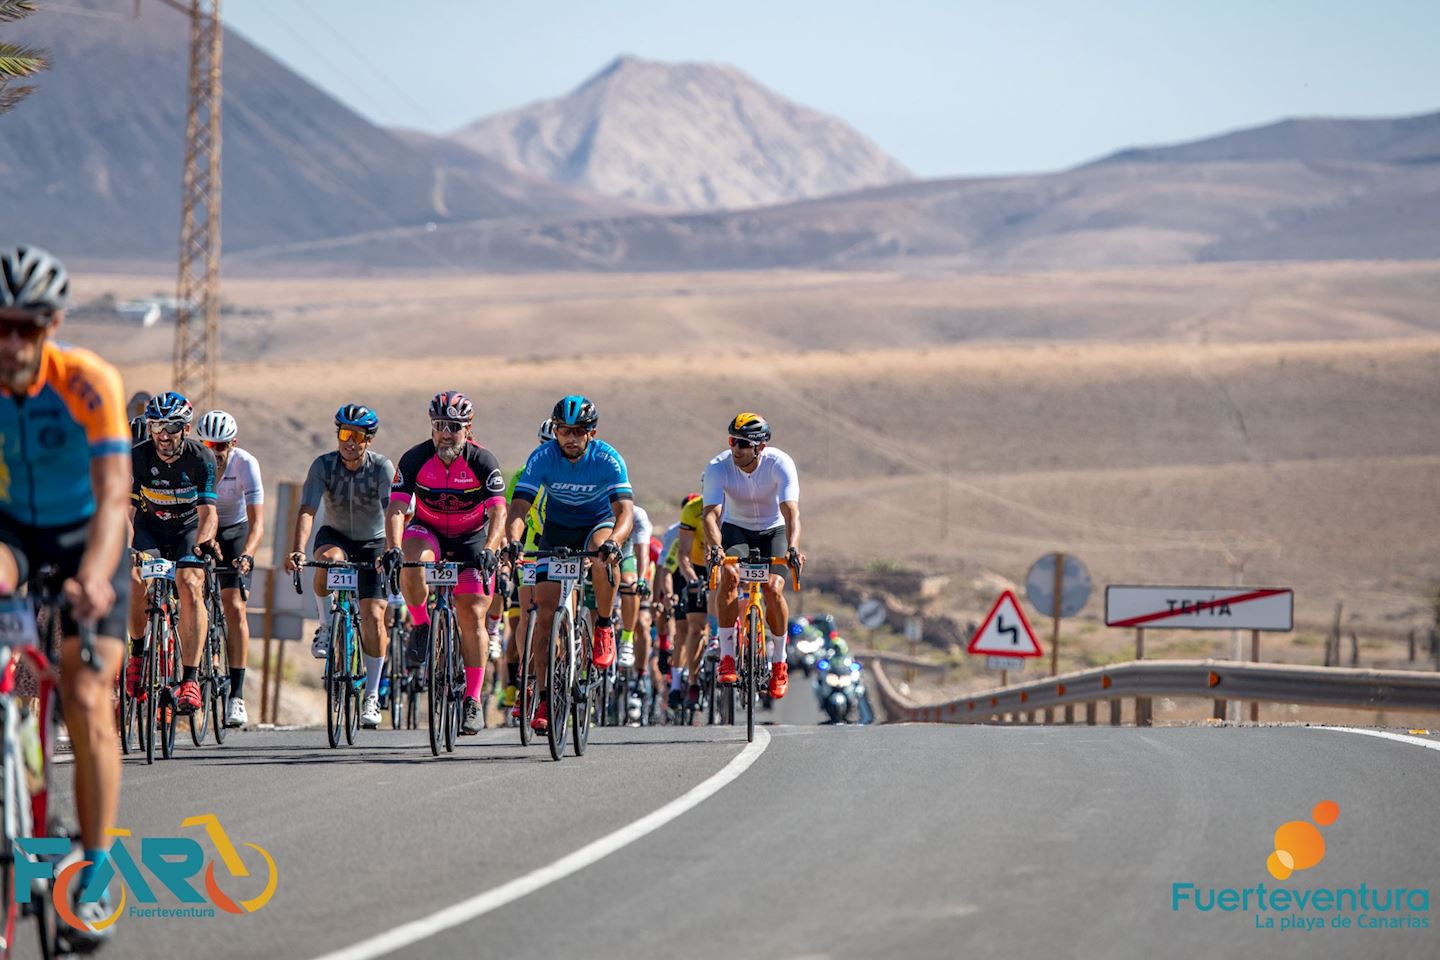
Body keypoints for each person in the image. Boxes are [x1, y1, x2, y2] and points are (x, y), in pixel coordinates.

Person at [0, 245, 130, 946]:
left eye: (28, 326)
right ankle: (15, 748)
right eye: (0, 326)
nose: (13, 342)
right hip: (13, 530)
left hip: (89, 536)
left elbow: (114, 495)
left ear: (51, 327)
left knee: (85, 691)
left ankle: (98, 867)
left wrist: (98, 575)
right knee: (15, 670)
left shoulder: (87, 381)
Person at [504, 395, 632, 732]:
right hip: (557, 529)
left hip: (597, 523)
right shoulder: (543, 457)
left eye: (578, 431)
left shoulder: (608, 459)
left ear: (592, 433)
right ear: (556, 431)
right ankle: (544, 695)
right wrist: (514, 540)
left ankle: (603, 625)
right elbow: (519, 507)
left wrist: (615, 543)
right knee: (544, 615)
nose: (570, 438)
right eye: (563, 430)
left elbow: (625, 512)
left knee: (603, 554)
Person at [385, 391, 506, 737]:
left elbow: (498, 510)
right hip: (429, 531)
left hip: (472, 539)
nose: (446, 433)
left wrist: (492, 547)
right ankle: (422, 625)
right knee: (410, 562)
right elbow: (396, 508)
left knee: (471, 614)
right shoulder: (414, 459)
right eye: (439, 426)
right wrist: (393, 547)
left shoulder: (483, 461)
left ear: (468, 428)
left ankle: (472, 699)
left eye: (454, 426)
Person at [286, 405, 394, 729]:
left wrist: (389, 550)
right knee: (329, 561)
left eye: (357, 436)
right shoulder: (323, 466)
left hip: (373, 540)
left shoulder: (382, 468)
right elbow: (307, 509)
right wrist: (297, 550)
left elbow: (395, 513)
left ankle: (372, 695)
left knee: (374, 615)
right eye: (345, 434)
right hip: (335, 537)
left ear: (368, 440)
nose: (350, 442)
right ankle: (326, 624)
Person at [127, 391, 219, 716]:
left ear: (187, 429)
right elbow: (126, 508)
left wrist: (204, 542)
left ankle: (190, 679)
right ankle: (138, 653)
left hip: (187, 531)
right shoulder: (138, 457)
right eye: (156, 426)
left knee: (191, 584)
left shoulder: (201, 459)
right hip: (149, 529)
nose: (164, 435)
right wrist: (129, 547)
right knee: (135, 580)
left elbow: (209, 513)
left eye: (172, 426)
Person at [702, 413, 805, 699]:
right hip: (737, 530)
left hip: (774, 531)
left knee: (773, 589)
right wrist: (716, 548)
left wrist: (793, 547)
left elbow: (791, 512)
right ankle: (727, 656)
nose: (736, 449)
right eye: (733, 441)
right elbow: (710, 515)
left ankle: (779, 662)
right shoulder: (718, 467)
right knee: (730, 577)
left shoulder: (780, 464)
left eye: (744, 444)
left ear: (760, 447)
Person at [194, 410, 263, 728]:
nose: (213, 452)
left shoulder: (245, 464)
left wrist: (247, 555)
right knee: (189, 593)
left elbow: (257, 523)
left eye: (220, 446)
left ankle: (237, 696)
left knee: (234, 606)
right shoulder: (195, 460)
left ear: (232, 444)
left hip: (234, 530)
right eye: (207, 444)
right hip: (198, 528)